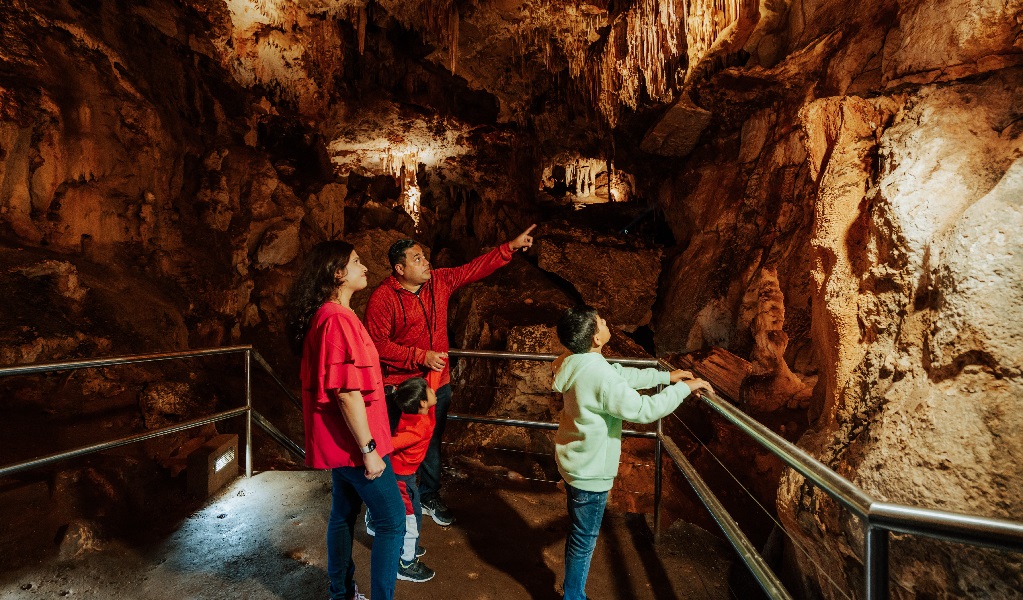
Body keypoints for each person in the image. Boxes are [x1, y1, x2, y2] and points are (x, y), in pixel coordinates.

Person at [365, 224, 537, 526]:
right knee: (394, 444)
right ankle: (382, 502)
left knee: (431, 441)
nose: (426, 262)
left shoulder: (439, 282)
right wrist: (420, 356)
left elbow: (474, 269)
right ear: (400, 268)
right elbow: (377, 345)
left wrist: (508, 247)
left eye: (424, 256)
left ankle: (429, 495)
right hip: (401, 386)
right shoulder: (383, 298)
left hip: (437, 383)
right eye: (417, 259)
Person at [551, 305, 713, 600]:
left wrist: (665, 377)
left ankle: (572, 590)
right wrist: (684, 389)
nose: (605, 322)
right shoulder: (599, 374)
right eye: (601, 321)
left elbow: (618, 375)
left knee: (578, 532)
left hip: (574, 460)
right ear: (595, 338)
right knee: (584, 540)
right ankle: (573, 596)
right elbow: (643, 409)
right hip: (591, 472)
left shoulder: (574, 362)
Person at [286, 240, 406, 600]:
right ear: (337, 273)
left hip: (342, 442)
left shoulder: (332, 315)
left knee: (343, 513)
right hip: (357, 443)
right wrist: (369, 449)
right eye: (356, 262)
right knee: (392, 522)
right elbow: (346, 391)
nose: (364, 267)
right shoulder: (336, 320)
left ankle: (341, 592)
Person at [386, 376, 438, 582]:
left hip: (405, 476)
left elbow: (427, 391)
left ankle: (408, 546)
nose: (434, 390)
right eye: (429, 390)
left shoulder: (411, 413)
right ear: (423, 403)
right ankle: (406, 563)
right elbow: (390, 444)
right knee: (411, 519)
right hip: (401, 477)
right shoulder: (420, 427)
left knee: (414, 513)